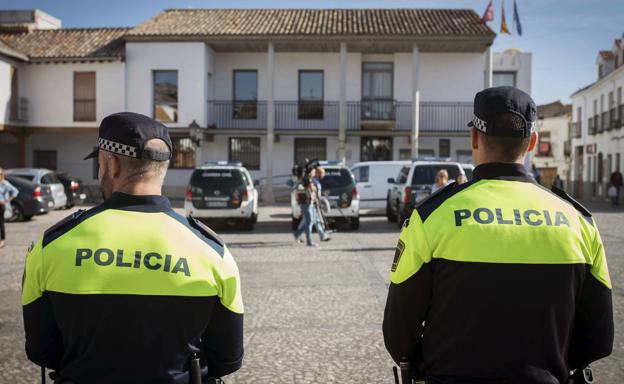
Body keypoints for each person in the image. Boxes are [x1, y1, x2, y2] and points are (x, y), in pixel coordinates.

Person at [383, 86, 613, 384]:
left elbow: (399, 335)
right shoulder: (579, 222)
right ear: (532, 142)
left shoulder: (430, 217)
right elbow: (599, 338)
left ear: (474, 138)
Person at [22, 112, 244, 383]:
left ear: (112, 165)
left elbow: (42, 351)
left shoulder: (51, 247)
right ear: (162, 168)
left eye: (99, 165)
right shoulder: (213, 253)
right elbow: (228, 358)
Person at [294, 168, 317, 247]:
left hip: (308, 203)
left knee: (310, 221)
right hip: (305, 203)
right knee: (309, 221)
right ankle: (309, 241)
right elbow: (312, 188)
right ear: (310, 172)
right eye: (313, 171)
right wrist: (312, 187)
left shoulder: (308, 179)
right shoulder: (306, 180)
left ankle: (297, 233)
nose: (315, 173)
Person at [0, 167, 19, 248]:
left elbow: (15, 191)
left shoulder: (4, 183)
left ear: (2, 174)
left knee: (1, 223)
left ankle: (2, 240)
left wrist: (7, 200)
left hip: (1, 206)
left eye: (0, 174)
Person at [312, 167, 330, 242]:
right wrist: (324, 201)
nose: (324, 175)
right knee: (314, 220)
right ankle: (298, 234)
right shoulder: (317, 183)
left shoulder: (312, 180)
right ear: (319, 174)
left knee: (316, 220)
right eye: (323, 174)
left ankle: (322, 236)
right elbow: (318, 196)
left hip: (310, 203)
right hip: (312, 204)